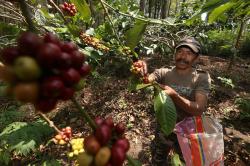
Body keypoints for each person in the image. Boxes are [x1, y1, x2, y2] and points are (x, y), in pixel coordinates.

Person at [136, 37, 211, 165]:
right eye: (180, 52)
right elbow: (146, 80)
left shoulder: (201, 77)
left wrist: (175, 95)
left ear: (196, 58)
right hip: (165, 128)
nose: (183, 56)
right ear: (175, 54)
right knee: (159, 158)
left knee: (184, 160)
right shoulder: (164, 72)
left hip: (188, 130)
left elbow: (199, 108)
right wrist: (140, 68)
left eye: (189, 53)